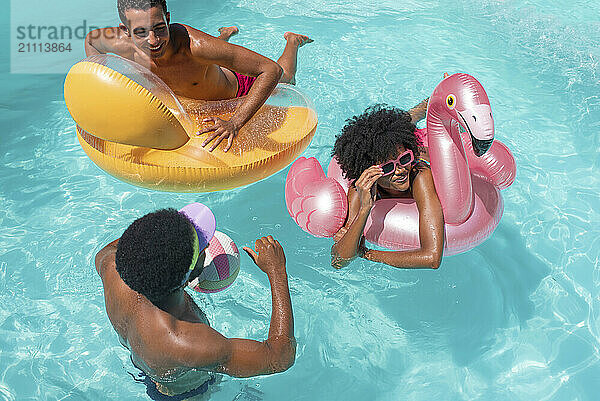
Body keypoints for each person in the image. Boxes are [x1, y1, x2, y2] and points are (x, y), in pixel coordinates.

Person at [95, 206, 295, 399]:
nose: (207, 246)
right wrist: (276, 271)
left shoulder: (110, 266)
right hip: (185, 393)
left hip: (149, 362)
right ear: (184, 278)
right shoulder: (188, 342)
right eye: (200, 247)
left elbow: (124, 244)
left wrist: (170, 228)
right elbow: (279, 358)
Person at [85, 0, 313, 152]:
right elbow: (91, 41)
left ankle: (292, 41)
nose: (153, 41)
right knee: (211, 57)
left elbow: (270, 70)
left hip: (234, 90)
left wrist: (235, 122)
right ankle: (225, 35)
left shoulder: (195, 46)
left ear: (167, 17)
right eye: (141, 32)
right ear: (125, 31)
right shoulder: (117, 42)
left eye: (159, 28)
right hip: (196, 89)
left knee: (286, 78)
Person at [330, 101, 445, 270]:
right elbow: (338, 262)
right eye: (387, 167)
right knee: (396, 130)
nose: (400, 171)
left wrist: (366, 253)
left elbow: (432, 258)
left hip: (425, 151)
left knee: (407, 124)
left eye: (404, 159)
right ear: (369, 171)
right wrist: (365, 209)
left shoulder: (418, 174)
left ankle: (426, 105)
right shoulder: (359, 190)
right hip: (396, 148)